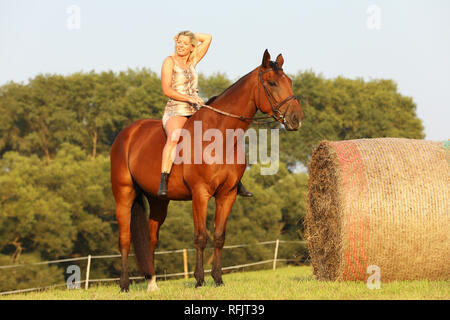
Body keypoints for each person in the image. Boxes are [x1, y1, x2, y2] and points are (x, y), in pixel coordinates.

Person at [158, 30, 253, 198]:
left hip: (195, 109)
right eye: (179, 42)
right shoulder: (169, 61)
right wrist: (189, 98)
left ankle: (235, 180)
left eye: (185, 43)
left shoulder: (193, 60)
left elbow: (208, 38)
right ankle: (163, 179)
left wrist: (187, 33)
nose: (180, 45)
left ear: (192, 47)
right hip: (176, 109)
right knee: (174, 137)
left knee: (221, 135)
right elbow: (166, 90)